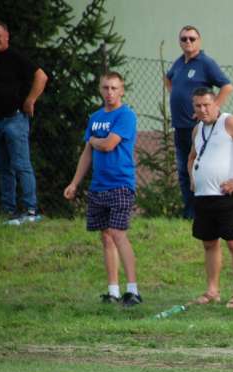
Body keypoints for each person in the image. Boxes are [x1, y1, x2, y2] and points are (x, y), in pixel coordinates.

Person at [63, 73, 141, 307]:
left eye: (114, 88)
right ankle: (113, 291)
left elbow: (107, 145)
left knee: (118, 233)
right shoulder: (95, 118)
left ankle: (133, 290)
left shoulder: (126, 115)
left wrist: (96, 141)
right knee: (106, 237)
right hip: (98, 186)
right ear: (100, 89)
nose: (109, 92)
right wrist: (75, 183)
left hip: (120, 183)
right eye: (105, 87)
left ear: (122, 90)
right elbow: (87, 153)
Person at [186, 87, 233, 309]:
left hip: (225, 195)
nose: (203, 110)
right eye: (198, 106)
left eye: (207, 105)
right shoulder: (197, 129)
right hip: (203, 196)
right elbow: (191, 157)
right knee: (209, 243)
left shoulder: (229, 122)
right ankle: (212, 291)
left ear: (216, 104)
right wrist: (193, 178)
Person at [165, 25, 233, 220]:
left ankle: (204, 212)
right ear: (179, 42)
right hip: (180, 126)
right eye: (184, 39)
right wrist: (175, 93)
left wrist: (212, 108)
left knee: (199, 168)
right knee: (183, 171)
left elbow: (227, 87)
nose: (188, 42)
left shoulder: (205, 63)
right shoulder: (178, 63)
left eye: (192, 39)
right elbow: (168, 79)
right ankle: (190, 213)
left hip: (198, 127)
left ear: (199, 41)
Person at [0, 20, 47, 224]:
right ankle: (8, 209)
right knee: (3, 167)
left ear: (7, 36)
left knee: (21, 165)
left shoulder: (16, 58)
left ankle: (30, 209)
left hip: (15, 119)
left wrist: (31, 99)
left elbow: (41, 76)